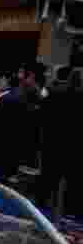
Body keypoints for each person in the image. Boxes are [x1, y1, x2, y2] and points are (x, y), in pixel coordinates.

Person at [0, 61, 46, 184]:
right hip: (22, 161)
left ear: (29, 76)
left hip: (2, 155)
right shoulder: (41, 102)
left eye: (21, 73)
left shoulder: (6, 98)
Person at [40, 65, 75, 215]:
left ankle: (43, 204)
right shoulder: (73, 94)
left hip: (50, 139)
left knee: (47, 174)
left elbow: (42, 114)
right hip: (68, 142)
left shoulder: (51, 92)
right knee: (65, 177)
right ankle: (62, 209)